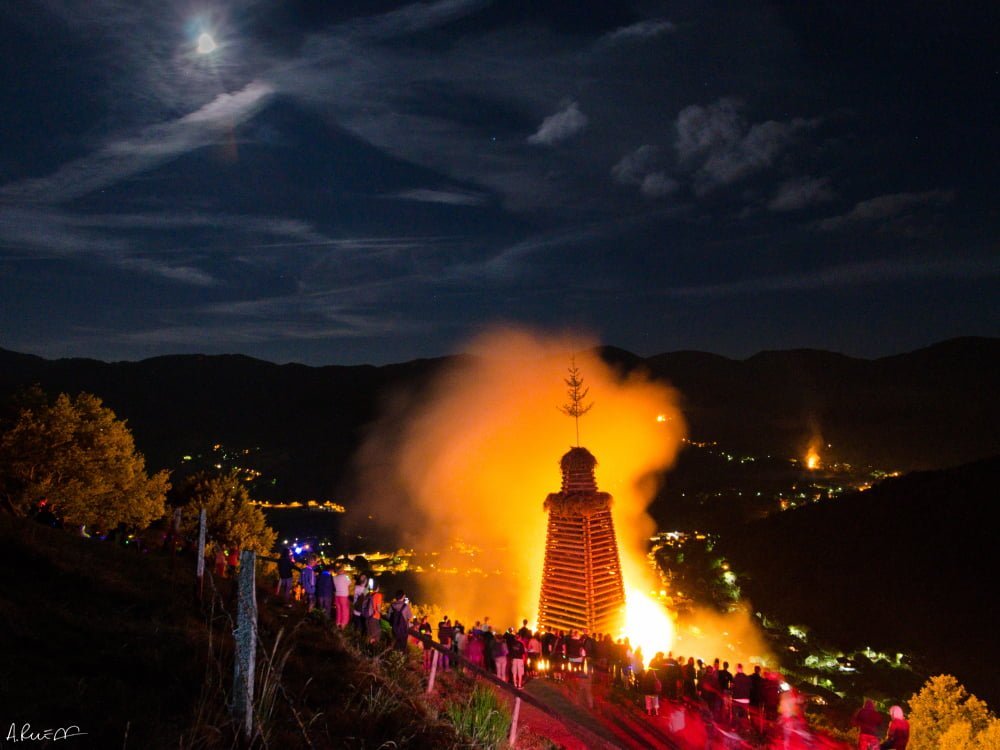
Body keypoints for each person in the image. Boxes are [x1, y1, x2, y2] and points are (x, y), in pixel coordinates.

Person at [332, 564, 352, 629]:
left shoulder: (334, 578)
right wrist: (346, 575)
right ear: (342, 570)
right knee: (345, 610)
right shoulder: (345, 576)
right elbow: (349, 583)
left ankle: (338, 623)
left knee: (338, 610)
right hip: (344, 596)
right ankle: (343, 624)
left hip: (337, 596)